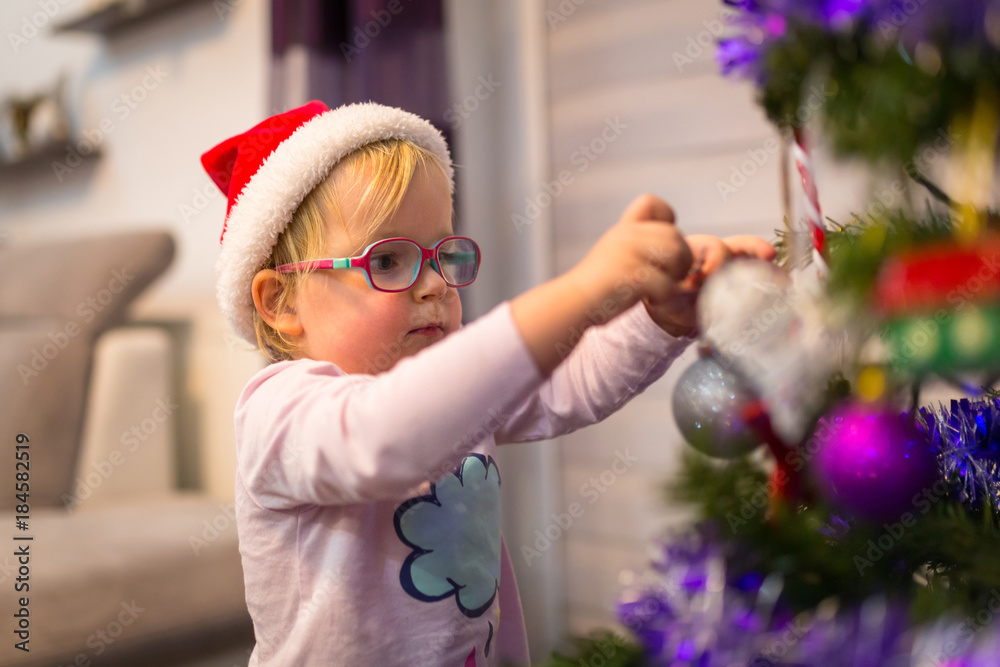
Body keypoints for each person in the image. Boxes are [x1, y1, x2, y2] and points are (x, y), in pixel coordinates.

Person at [201, 99, 775, 667]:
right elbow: (383, 437)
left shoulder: (449, 382)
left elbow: (568, 383)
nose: (434, 285)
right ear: (279, 302)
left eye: (443, 253)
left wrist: (660, 317)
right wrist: (584, 290)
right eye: (388, 261)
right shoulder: (276, 410)